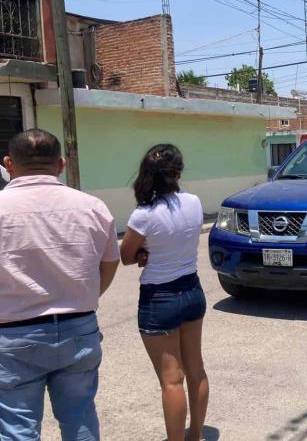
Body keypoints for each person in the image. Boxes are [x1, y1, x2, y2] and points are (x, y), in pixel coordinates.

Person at [0, 129, 119, 441]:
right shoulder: (93, 206)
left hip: (12, 334)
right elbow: (109, 263)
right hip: (79, 328)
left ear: (9, 163)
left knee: (17, 429)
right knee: (80, 419)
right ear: (62, 164)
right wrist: (86, 295)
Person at [119, 144, 208, 441]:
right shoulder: (194, 202)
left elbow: (127, 255)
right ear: (179, 172)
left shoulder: (144, 214)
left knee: (171, 381)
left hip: (160, 297)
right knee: (196, 370)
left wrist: (144, 253)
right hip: (192, 290)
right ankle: (195, 435)